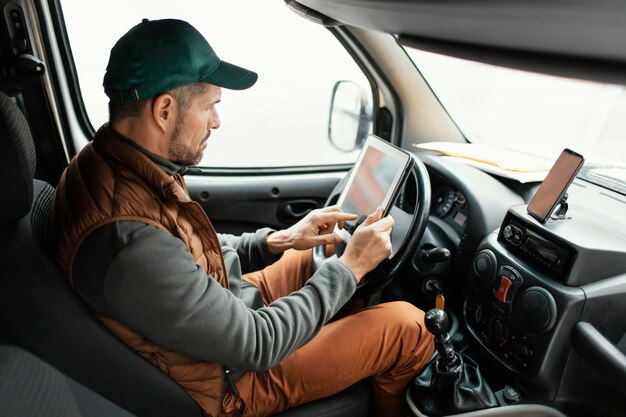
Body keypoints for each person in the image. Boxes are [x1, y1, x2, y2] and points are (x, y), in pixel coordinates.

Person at [51, 18, 433, 417]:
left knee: (321, 251)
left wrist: (277, 241)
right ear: (164, 110)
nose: (217, 122)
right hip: (227, 380)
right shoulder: (128, 242)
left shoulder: (114, 161)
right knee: (410, 328)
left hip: (219, 322)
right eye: (210, 106)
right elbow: (257, 343)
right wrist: (351, 269)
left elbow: (185, 252)